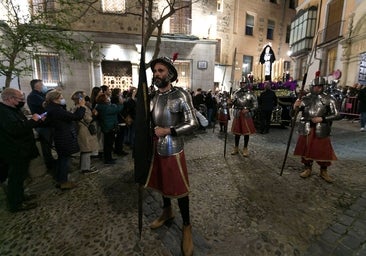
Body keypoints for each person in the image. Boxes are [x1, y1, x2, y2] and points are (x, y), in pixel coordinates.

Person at [145, 56, 198, 256]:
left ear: (170, 73)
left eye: (161, 70)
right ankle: (167, 211)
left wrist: (168, 131)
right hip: (156, 148)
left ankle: (187, 226)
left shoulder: (181, 95)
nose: (157, 74)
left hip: (174, 148)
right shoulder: (153, 97)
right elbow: (149, 123)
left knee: (180, 189)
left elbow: (193, 123)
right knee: (162, 184)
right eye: (155, 71)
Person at [0, 88, 43, 212]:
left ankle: (21, 196)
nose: (22, 101)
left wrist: (36, 121)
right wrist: (32, 121)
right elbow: (15, 129)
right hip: (14, 150)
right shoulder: (3, 112)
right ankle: (16, 204)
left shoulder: (13, 109)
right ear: (9, 99)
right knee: (15, 178)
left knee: (20, 176)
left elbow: (24, 125)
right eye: (20, 99)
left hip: (22, 149)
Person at [293, 77, 339, 183]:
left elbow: (337, 114)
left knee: (323, 151)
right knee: (306, 149)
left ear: (323, 87)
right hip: (306, 127)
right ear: (312, 86)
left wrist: (322, 118)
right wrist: (295, 107)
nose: (318, 88)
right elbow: (293, 115)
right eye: (316, 86)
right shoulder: (305, 99)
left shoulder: (330, 99)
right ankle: (307, 168)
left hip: (321, 128)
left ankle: (323, 171)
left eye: (320, 86)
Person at [44, 89, 86, 190]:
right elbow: (77, 117)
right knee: (64, 160)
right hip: (63, 136)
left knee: (62, 159)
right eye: (61, 98)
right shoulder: (56, 110)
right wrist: (82, 106)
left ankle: (60, 179)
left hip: (60, 136)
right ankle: (63, 181)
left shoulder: (52, 108)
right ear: (55, 99)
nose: (63, 99)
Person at [27, 79, 56, 171]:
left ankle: (51, 161)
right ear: (36, 86)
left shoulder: (40, 94)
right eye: (42, 84)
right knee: (46, 146)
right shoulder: (33, 96)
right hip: (42, 125)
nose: (43, 86)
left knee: (49, 144)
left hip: (48, 123)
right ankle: (50, 165)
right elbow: (46, 104)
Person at [71, 91, 99, 174]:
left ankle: (84, 166)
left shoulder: (76, 106)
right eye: (84, 97)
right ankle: (85, 168)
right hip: (85, 130)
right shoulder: (83, 107)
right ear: (80, 98)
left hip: (81, 129)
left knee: (85, 148)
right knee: (87, 149)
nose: (85, 98)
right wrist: (94, 114)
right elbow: (88, 119)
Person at [95, 93, 124, 164]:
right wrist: (121, 103)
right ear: (104, 100)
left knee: (109, 144)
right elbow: (117, 109)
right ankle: (108, 159)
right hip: (109, 127)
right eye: (107, 97)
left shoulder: (102, 106)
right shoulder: (105, 108)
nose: (108, 98)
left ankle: (109, 158)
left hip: (108, 126)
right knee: (108, 144)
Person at [230, 83, 258, 157]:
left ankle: (245, 148)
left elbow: (255, 105)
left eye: (244, 83)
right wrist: (229, 102)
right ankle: (236, 147)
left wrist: (248, 109)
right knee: (237, 133)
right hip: (238, 114)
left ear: (246, 84)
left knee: (246, 133)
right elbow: (232, 103)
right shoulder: (236, 93)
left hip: (246, 114)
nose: (242, 85)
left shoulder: (251, 94)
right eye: (241, 83)